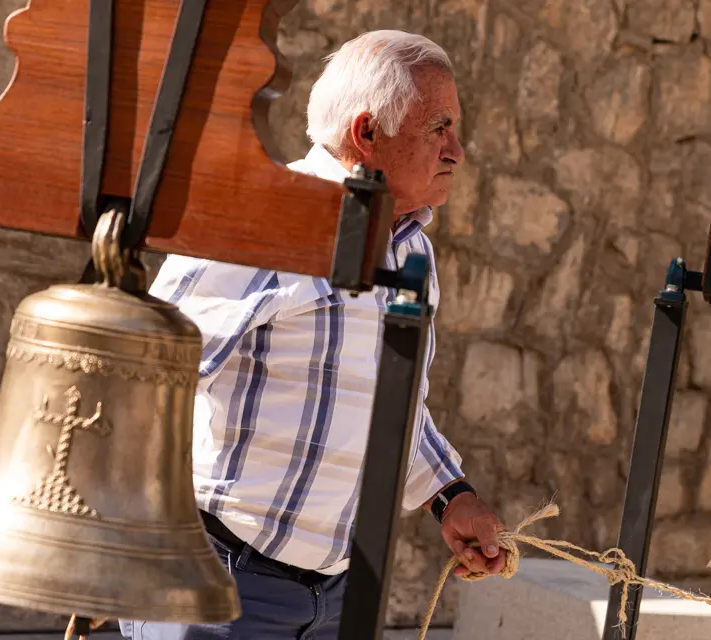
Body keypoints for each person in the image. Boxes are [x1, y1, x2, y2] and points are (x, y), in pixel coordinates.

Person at [118, 29, 507, 640]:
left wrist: (450, 495)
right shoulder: (259, 219)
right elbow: (143, 371)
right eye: (439, 128)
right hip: (215, 585)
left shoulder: (412, 253)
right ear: (367, 133)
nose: (456, 150)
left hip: (337, 600)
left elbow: (390, 403)